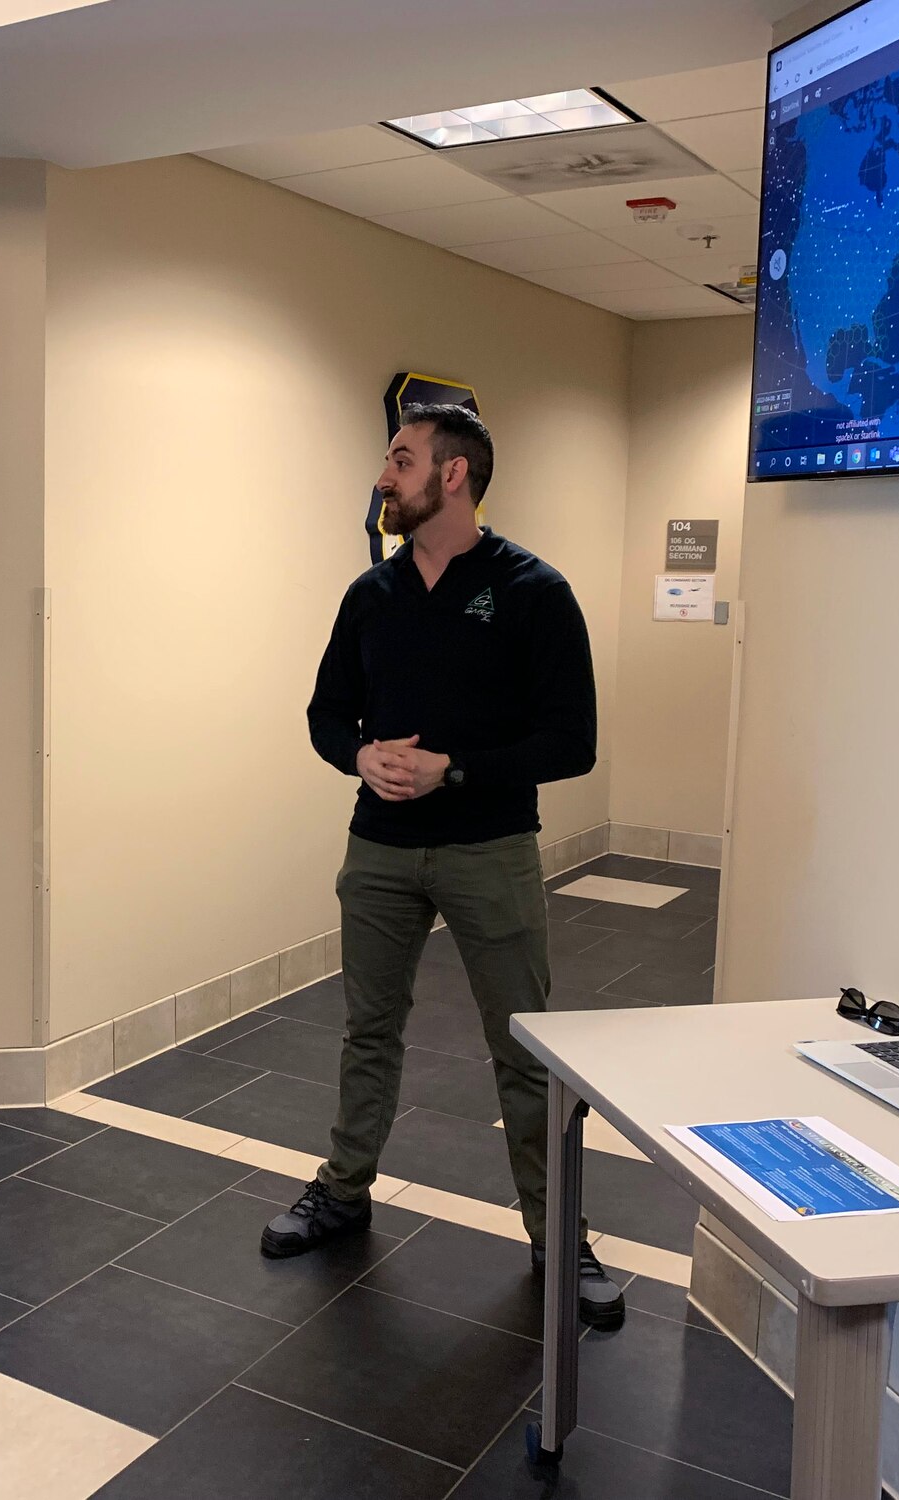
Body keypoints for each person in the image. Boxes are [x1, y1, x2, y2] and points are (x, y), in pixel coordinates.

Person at [263, 403, 623, 1330]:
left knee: (526, 1050)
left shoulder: (535, 592)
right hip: (378, 851)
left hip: (489, 850)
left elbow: (572, 742)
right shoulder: (370, 596)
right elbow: (323, 714)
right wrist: (360, 757)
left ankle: (558, 1236)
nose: (385, 475)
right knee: (367, 1030)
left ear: (452, 475)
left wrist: (452, 770)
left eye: (401, 458)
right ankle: (343, 1193)